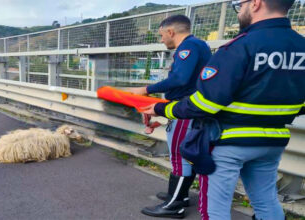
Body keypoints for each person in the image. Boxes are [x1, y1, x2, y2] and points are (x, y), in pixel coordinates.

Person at [142, 0, 305, 219]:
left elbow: (205, 103)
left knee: (215, 209)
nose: (239, 11)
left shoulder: (240, 47)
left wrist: (162, 109)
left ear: (256, 3)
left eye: (240, 4)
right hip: (273, 140)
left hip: (229, 141)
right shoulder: (301, 46)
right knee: (266, 201)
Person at [127, 15, 212, 218]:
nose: (161, 39)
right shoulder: (200, 45)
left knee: (179, 156)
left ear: (171, 32)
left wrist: (146, 89)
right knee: (185, 154)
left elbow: (179, 78)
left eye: (162, 35)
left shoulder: (188, 47)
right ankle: (179, 196)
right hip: (190, 108)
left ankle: (174, 206)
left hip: (184, 108)